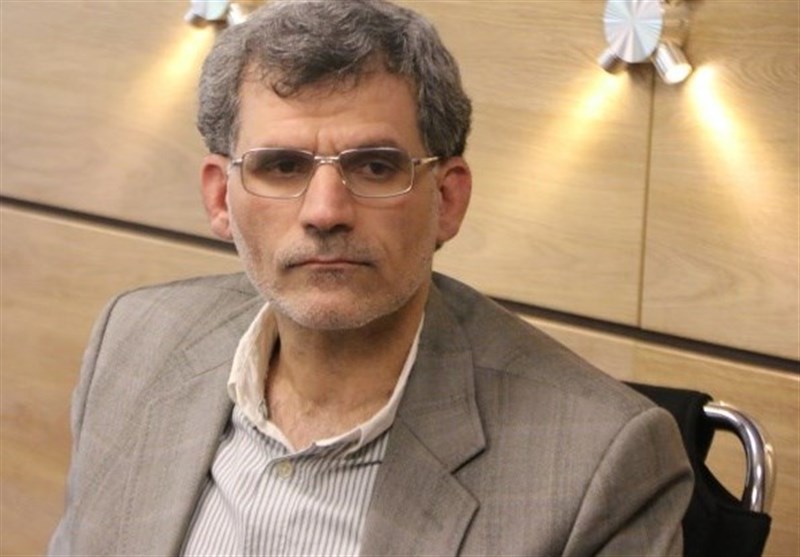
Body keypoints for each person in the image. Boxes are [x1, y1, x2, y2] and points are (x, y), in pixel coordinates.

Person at [49, 1, 693, 555]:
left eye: (376, 167)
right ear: (221, 197)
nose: (325, 212)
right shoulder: (133, 343)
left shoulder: (600, 463)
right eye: (282, 166)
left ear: (447, 200)